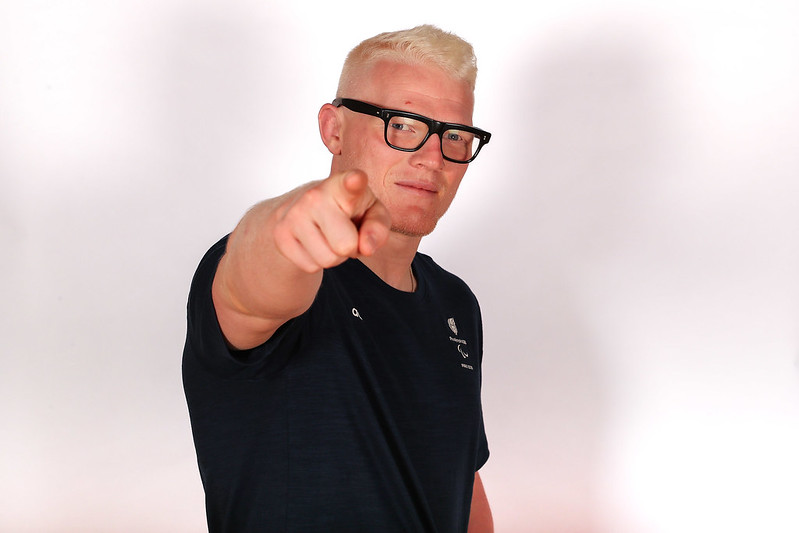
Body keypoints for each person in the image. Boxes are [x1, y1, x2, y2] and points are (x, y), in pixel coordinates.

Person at [183, 24, 493, 532]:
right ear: (334, 130)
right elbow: (253, 287)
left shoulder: (457, 304)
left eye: (455, 136)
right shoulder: (270, 261)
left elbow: (462, 479)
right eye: (404, 124)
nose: (433, 157)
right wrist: (284, 227)